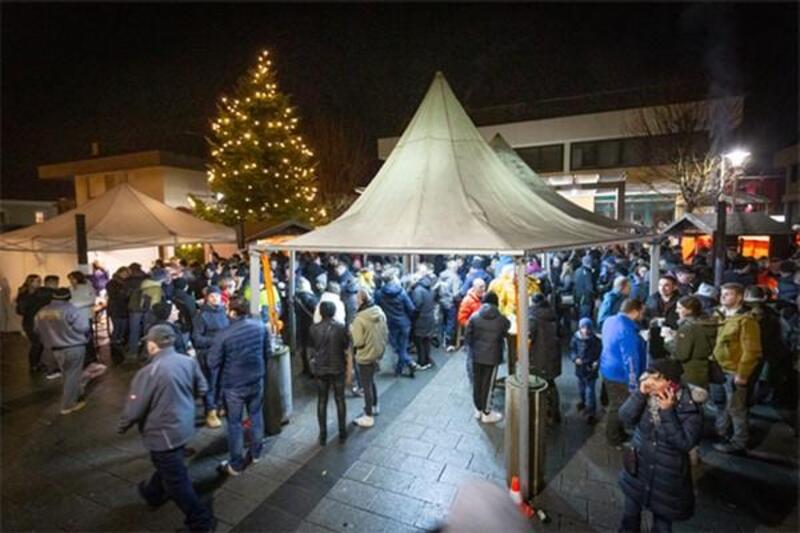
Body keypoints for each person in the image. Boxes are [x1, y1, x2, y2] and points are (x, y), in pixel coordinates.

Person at [118, 325, 215, 533]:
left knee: (177, 481)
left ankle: (201, 520)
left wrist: (123, 425)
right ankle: (153, 493)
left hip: (163, 433)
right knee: (169, 464)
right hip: (184, 426)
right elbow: (203, 388)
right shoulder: (188, 361)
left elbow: (135, 409)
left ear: (153, 345)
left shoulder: (149, 372)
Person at [618, 359, 704, 533]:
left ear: (670, 383)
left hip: (667, 477)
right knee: (630, 517)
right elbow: (625, 417)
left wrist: (667, 412)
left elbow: (684, 443)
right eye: (649, 377)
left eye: (656, 379)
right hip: (638, 468)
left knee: (662, 526)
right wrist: (639, 395)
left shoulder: (690, 407)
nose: (649, 382)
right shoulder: (647, 395)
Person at [208, 298, 271, 475]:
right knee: (256, 415)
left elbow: (213, 362)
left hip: (233, 385)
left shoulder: (224, 334)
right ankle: (256, 452)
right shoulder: (260, 326)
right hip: (256, 379)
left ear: (233, 312)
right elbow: (268, 352)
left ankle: (236, 464)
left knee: (235, 424)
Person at [710, 283, 762, 454]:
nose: (723, 297)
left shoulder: (747, 320)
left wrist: (742, 373)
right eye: (722, 294)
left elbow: (752, 350)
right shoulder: (718, 314)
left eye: (728, 294)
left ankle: (740, 441)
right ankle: (721, 432)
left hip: (733, 371)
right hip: (717, 368)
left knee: (736, 408)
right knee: (720, 404)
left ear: (739, 297)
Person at [34, 288, 91, 414]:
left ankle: (76, 393)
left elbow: (37, 330)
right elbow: (83, 327)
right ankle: (68, 405)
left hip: (54, 349)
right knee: (72, 375)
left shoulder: (41, 312)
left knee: (67, 374)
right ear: (68, 297)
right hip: (74, 347)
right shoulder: (71, 310)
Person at [600, 298, 647, 447]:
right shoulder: (628, 330)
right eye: (642, 312)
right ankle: (613, 437)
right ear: (634, 311)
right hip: (619, 374)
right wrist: (633, 383)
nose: (642, 315)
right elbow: (630, 359)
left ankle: (618, 433)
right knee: (618, 406)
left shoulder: (610, 320)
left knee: (616, 403)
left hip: (608, 368)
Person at [465, 292, 510, 424]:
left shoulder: (474, 317)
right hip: (492, 356)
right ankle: (486, 412)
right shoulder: (501, 319)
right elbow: (507, 329)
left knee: (477, 383)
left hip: (476, 355)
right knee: (488, 385)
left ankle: (478, 409)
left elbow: (468, 337)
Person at [309, 301, 350, 445]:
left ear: (320, 312)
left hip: (321, 368)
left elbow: (312, 348)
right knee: (340, 399)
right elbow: (346, 345)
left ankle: (323, 435)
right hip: (337, 367)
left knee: (322, 401)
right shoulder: (341, 327)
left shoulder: (314, 329)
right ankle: (342, 432)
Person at [351, 287, 389, 428]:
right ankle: (374, 405)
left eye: (356, 299)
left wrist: (352, 330)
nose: (355, 302)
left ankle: (368, 416)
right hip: (377, 352)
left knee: (366, 385)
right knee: (371, 381)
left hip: (365, 355)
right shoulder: (379, 311)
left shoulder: (359, 319)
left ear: (361, 300)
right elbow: (385, 331)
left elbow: (358, 342)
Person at [192, 287, 230, 429]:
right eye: (212, 296)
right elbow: (197, 338)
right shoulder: (201, 316)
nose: (215, 299)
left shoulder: (222, 312)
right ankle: (210, 411)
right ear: (207, 298)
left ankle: (220, 405)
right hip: (208, 355)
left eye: (217, 296)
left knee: (221, 380)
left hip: (223, 353)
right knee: (210, 383)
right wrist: (216, 340)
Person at [665, 296, 715, 392]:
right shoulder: (705, 323)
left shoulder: (688, 328)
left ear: (689, 310)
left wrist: (669, 341)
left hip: (689, 373)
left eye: (679, 308)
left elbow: (681, 354)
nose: (676, 311)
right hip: (702, 370)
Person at [375, 269, 417, 378]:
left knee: (396, 347)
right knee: (403, 347)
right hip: (404, 323)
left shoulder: (379, 294)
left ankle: (402, 367)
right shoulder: (402, 292)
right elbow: (411, 308)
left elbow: (376, 308)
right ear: (393, 279)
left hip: (390, 324)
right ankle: (407, 363)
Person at [529, 293, 562, 425]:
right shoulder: (552, 314)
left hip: (539, 356)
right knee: (551, 384)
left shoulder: (533, 317)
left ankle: (539, 414)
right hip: (553, 355)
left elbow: (529, 336)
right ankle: (555, 413)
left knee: (538, 385)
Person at [570, 317, 602, 424]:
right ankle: (583, 402)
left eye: (588, 328)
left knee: (590, 391)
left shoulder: (596, 341)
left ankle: (591, 412)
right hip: (580, 369)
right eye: (583, 327)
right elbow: (573, 351)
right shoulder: (575, 339)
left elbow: (600, 353)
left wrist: (597, 362)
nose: (586, 330)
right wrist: (575, 358)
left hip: (591, 369)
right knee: (582, 389)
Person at [15, 274, 44, 373]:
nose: (39, 283)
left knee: (40, 343)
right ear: (30, 282)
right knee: (36, 343)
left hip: (39, 321)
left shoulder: (39, 293)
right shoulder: (24, 295)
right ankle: (33, 364)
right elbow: (20, 311)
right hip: (30, 322)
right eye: (37, 281)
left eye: (39, 281)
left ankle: (37, 362)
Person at [67, 271, 98, 363]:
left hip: (85, 316)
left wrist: (75, 304)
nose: (71, 281)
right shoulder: (69, 289)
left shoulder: (88, 288)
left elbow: (91, 300)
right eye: (70, 279)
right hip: (73, 317)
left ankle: (91, 358)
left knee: (87, 339)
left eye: (72, 278)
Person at [295, 277, 320, 377]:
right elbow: (316, 310)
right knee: (311, 349)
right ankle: (312, 371)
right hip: (310, 324)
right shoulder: (308, 297)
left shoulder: (297, 296)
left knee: (304, 348)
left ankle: (306, 369)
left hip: (302, 324)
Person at [411, 273, 437, 370]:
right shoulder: (429, 288)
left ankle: (421, 362)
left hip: (421, 319)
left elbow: (416, 306)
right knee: (426, 341)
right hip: (429, 318)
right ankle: (427, 360)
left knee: (420, 342)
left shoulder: (418, 291)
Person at [106, 267, 131, 363]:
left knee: (121, 329)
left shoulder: (123, 283)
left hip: (122, 309)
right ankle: (115, 349)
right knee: (118, 329)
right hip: (116, 309)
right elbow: (115, 296)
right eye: (125, 273)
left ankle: (117, 348)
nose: (126, 275)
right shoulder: (112, 283)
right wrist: (126, 293)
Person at [436, 259, 462, 352]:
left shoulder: (441, 275)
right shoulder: (455, 278)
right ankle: (448, 343)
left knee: (442, 321)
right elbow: (456, 294)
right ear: (454, 268)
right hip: (450, 303)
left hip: (441, 301)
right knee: (450, 323)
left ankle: (442, 340)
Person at [573, 255, 597, 320]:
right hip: (586, 299)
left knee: (581, 318)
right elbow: (590, 287)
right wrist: (595, 294)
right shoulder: (587, 273)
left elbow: (574, 284)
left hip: (579, 298)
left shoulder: (577, 270)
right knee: (586, 318)